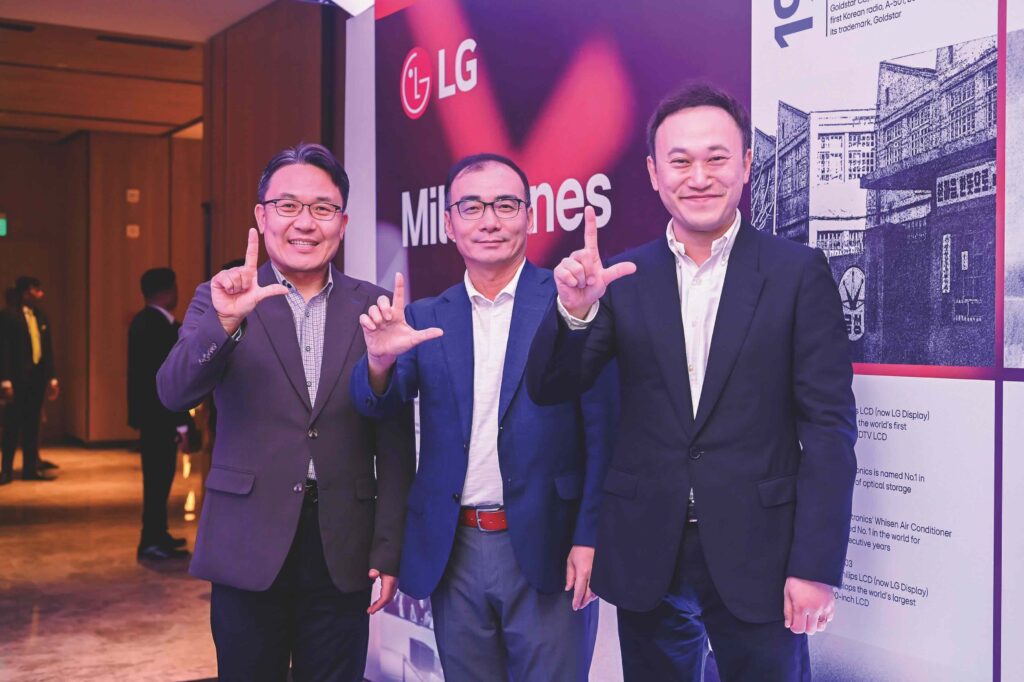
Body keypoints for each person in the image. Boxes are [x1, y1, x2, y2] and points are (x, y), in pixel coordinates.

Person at [527, 83, 858, 681]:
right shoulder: (623, 275)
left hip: (761, 552)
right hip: (647, 548)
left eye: (716, 158)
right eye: (679, 161)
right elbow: (553, 386)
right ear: (654, 174)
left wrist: (815, 566)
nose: (699, 177)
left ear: (746, 165)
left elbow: (830, 430)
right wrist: (575, 313)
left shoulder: (796, 272)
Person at [350, 153, 616, 681]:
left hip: (548, 545)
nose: (489, 220)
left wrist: (590, 536)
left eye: (505, 205)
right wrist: (378, 361)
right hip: (455, 551)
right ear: (449, 224)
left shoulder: (570, 302)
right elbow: (378, 403)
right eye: (471, 207)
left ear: (530, 216)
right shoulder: (426, 316)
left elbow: (602, 432)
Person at [157, 143, 415, 681]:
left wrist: (389, 548)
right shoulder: (223, 297)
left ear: (343, 222)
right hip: (247, 541)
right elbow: (173, 392)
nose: (305, 222)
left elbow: (394, 442)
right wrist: (224, 325)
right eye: (288, 205)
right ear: (261, 216)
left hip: (343, 545)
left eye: (323, 208)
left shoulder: (375, 307)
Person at [128, 267, 192, 559]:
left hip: (151, 416)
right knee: (157, 481)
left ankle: (158, 533)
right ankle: (151, 540)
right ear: (167, 292)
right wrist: (181, 424)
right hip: (160, 417)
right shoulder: (159, 328)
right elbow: (170, 381)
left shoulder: (143, 322)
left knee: (160, 479)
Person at [1, 276, 60, 484]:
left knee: (32, 426)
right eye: (36, 290)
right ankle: (6, 470)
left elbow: (47, 349)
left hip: (37, 380)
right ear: (26, 292)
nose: (40, 294)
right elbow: (4, 350)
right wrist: (5, 380)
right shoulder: (8, 316)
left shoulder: (41, 316)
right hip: (17, 380)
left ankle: (29, 469)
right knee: (11, 426)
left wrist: (52, 377)